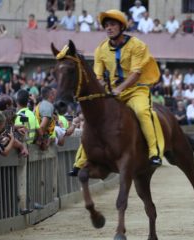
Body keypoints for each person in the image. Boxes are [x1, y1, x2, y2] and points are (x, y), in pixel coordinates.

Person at [68, 9, 163, 176]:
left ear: (121, 27)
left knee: (142, 112)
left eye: (112, 24)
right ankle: (80, 161)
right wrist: (103, 89)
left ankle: (154, 153)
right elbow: (98, 76)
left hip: (135, 90)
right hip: (112, 92)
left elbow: (136, 73)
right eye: (106, 25)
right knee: (95, 119)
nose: (108, 28)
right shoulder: (100, 50)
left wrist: (120, 89)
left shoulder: (137, 45)